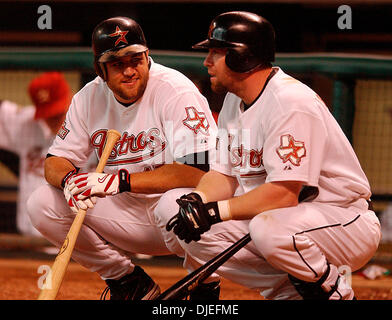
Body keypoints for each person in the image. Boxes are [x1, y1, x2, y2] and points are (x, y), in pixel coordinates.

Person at [159, 11, 381, 300]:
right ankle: (288, 291)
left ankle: (333, 291)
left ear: (242, 56)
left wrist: (214, 212)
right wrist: (199, 201)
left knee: (269, 229)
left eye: (215, 52)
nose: (206, 62)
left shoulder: (290, 102)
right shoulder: (233, 100)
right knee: (170, 208)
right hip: (285, 221)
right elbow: (223, 175)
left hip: (341, 219)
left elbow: (283, 195)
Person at [27, 16, 218, 300]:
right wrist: (69, 180)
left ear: (146, 55)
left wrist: (120, 181)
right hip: (129, 218)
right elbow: (55, 161)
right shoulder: (88, 98)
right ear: (100, 69)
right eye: (118, 63)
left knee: (175, 202)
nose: (129, 70)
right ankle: (129, 283)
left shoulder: (176, 91)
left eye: (135, 59)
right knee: (42, 203)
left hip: (186, 218)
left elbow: (200, 172)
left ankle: (203, 281)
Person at [0, 72, 71, 237]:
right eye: (48, 114)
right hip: (30, 240)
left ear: (70, 98)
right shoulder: (26, 123)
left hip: (77, 245)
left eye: (58, 113)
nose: (52, 120)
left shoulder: (93, 128)